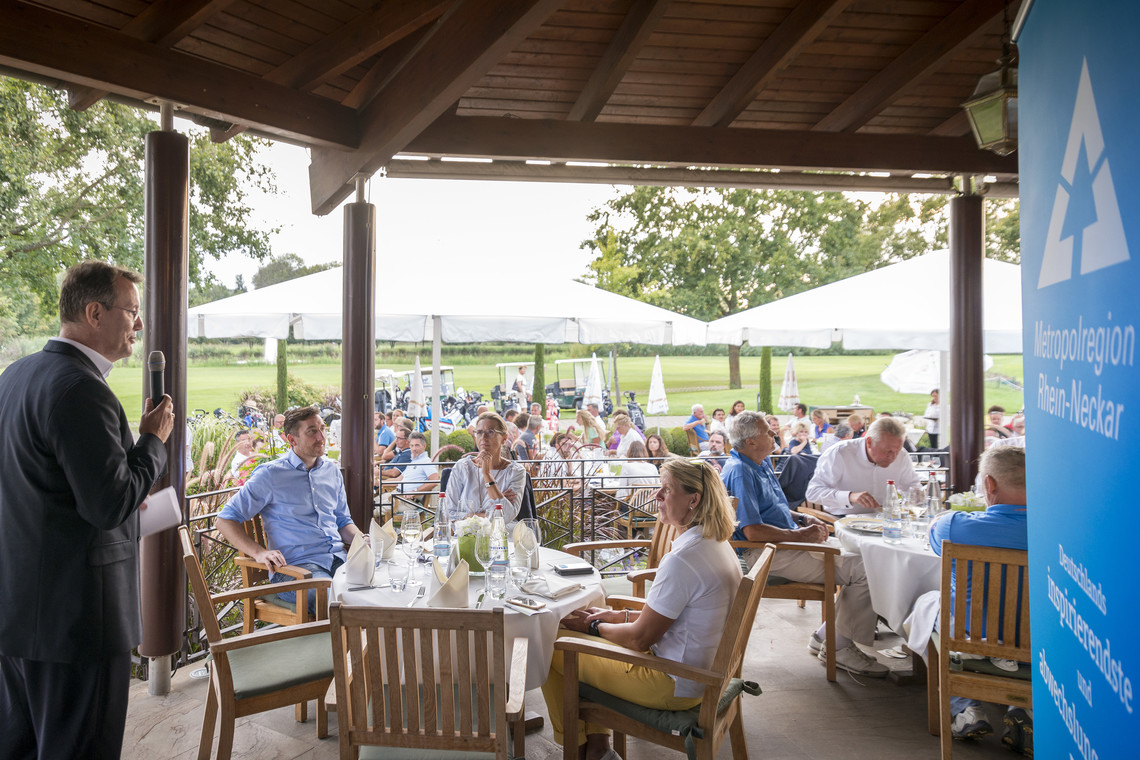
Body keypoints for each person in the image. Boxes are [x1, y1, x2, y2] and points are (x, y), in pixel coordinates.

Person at [0, 260, 174, 758]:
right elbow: (111, 504)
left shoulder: (17, 375)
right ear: (95, 313)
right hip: (79, 625)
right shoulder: (80, 390)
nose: (138, 325)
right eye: (131, 312)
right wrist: (152, 442)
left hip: (21, 615)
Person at [543, 458, 742, 760]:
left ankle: (579, 748)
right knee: (575, 634)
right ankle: (596, 748)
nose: (656, 496)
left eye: (666, 490)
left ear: (694, 500)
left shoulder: (684, 559)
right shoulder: (717, 544)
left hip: (671, 682)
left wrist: (594, 627)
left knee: (552, 644)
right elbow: (679, 618)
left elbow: (639, 640)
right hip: (700, 673)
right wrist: (617, 616)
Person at [721, 412, 886, 677]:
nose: (775, 434)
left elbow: (774, 508)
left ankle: (826, 636)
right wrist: (802, 537)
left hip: (784, 543)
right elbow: (752, 531)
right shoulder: (741, 471)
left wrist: (803, 516)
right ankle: (839, 647)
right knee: (866, 570)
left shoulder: (757, 463)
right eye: (768, 432)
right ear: (751, 441)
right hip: (765, 553)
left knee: (865, 557)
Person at [928, 446, 1030, 753]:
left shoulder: (955, 526)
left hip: (972, 638)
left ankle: (965, 709)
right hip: (1033, 644)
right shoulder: (1058, 531)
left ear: (989, 484)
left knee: (933, 608)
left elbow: (932, 535)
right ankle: (1023, 709)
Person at [216, 406, 364, 614]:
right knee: (331, 595)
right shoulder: (270, 475)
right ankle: (336, 646)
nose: (321, 437)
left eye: (322, 428)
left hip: (338, 560)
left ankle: (366, 646)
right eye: (312, 431)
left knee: (379, 586)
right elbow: (224, 520)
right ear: (291, 439)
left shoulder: (332, 471)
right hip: (294, 569)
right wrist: (259, 553)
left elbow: (342, 521)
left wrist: (362, 540)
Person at [806, 416, 921, 515]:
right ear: (869, 442)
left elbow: (911, 487)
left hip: (886, 519)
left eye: (897, 450)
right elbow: (813, 492)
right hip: (843, 519)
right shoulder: (840, 453)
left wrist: (919, 495)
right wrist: (849, 496)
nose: (893, 456)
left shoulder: (902, 455)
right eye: (887, 451)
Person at [444, 411, 527, 522]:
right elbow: (449, 513)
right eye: (479, 432)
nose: (483, 437)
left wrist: (487, 474)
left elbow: (506, 517)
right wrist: (496, 503)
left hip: (500, 537)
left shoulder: (515, 471)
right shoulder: (462, 467)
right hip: (465, 536)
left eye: (490, 432)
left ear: (504, 438)